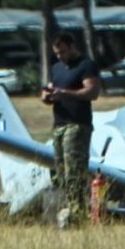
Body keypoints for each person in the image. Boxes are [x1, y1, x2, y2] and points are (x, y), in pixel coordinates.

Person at [41, 32, 102, 228]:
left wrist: (65, 93)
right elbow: (51, 88)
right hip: (59, 124)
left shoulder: (86, 65)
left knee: (74, 171)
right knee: (60, 172)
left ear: (72, 46)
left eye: (63, 52)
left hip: (77, 125)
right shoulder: (56, 68)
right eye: (57, 53)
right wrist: (47, 96)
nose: (60, 56)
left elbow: (92, 92)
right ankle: (70, 208)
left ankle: (78, 213)